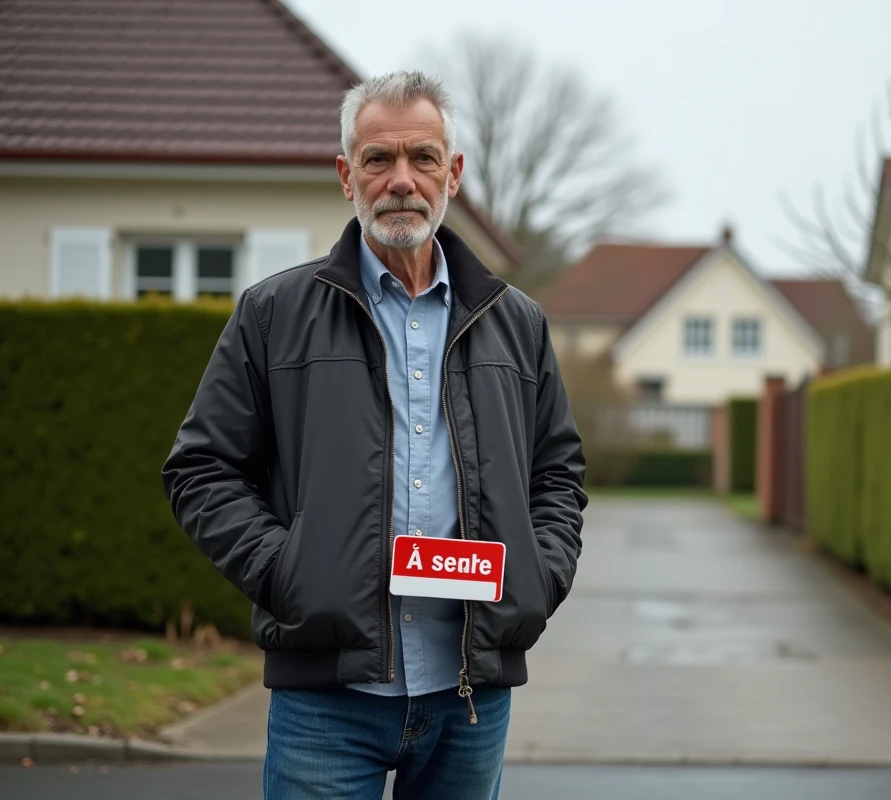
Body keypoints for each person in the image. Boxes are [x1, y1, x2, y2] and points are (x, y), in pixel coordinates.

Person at [161, 70, 587, 800]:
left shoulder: (518, 324)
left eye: (422, 158)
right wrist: (288, 571)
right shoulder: (273, 314)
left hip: (469, 696)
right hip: (326, 698)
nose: (401, 181)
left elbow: (557, 476)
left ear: (453, 173)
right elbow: (201, 469)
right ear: (344, 175)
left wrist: (536, 582)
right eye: (377, 160)